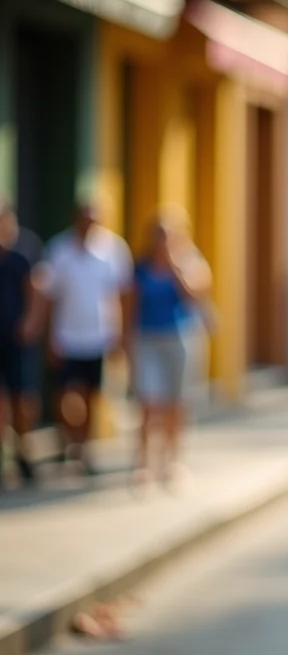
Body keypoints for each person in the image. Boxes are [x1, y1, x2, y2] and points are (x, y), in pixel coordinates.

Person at [31, 202, 132, 475]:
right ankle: (69, 439)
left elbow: (122, 295)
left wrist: (121, 337)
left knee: (90, 396)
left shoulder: (113, 249)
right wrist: (50, 336)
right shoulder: (59, 249)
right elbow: (49, 296)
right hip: (67, 336)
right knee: (65, 395)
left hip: (98, 337)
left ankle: (82, 449)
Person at [122, 217, 211, 490]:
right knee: (149, 402)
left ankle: (173, 461)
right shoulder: (140, 268)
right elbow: (129, 306)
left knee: (176, 403)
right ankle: (144, 464)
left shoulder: (191, 263)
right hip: (146, 339)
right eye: (158, 236)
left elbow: (196, 297)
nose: (162, 243)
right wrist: (124, 342)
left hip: (180, 338)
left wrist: (175, 267)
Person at [0, 203, 41, 485]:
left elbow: (36, 291)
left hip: (17, 339)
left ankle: (23, 450)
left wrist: (30, 323)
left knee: (22, 398)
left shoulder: (25, 250)